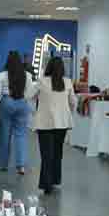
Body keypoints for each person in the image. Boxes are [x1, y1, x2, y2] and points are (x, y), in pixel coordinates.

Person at [33, 57, 76, 194]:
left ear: (48, 67)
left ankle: (47, 184)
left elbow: (29, 94)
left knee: (46, 154)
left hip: (45, 123)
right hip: (62, 123)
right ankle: (55, 179)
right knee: (57, 153)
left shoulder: (42, 82)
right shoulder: (68, 82)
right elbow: (73, 101)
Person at [0, 51, 35, 174]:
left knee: (5, 135)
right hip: (22, 103)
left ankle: (4, 165)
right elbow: (30, 93)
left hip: (7, 102)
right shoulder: (27, 75)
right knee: (21, 135)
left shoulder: (2, 75)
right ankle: (20, 166)